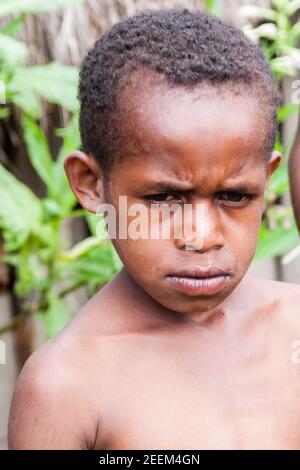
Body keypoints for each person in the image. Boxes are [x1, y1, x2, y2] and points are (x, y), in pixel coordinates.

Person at [8, 9, 300, 450]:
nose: (201, 237)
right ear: (90, 185)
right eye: (163, 198)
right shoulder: (67, 386)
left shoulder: (294, 327)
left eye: (235, 196)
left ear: (266, 177)